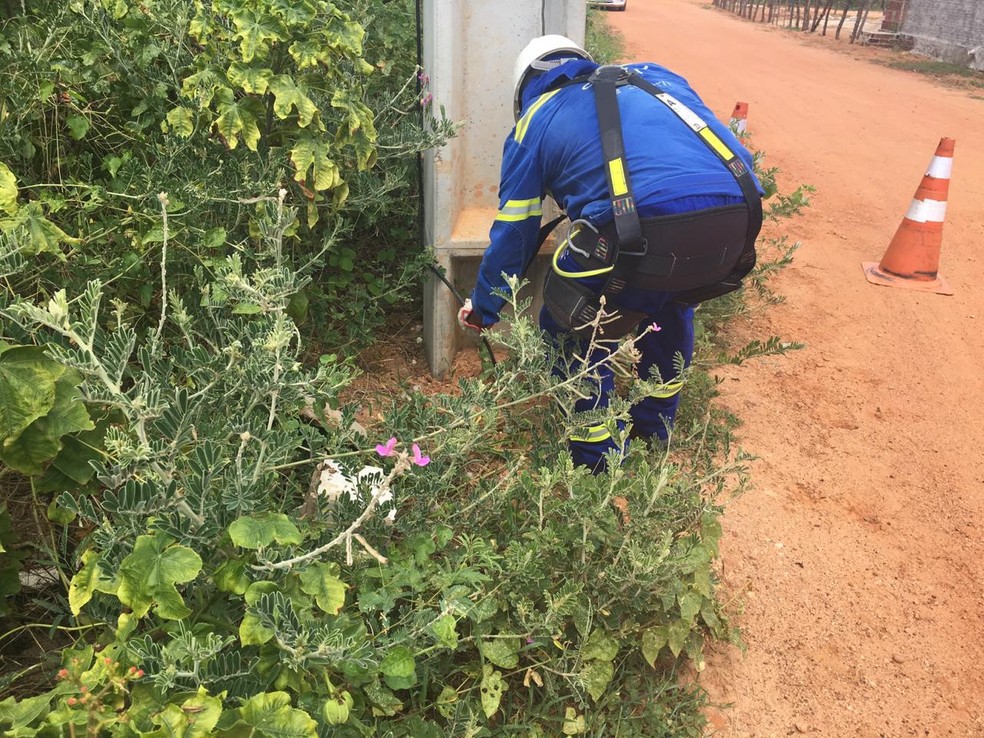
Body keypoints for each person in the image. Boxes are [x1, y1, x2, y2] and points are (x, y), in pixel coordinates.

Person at [457, 35, 763, 472]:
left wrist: (486, 307)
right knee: (669, 305)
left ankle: (596, 463)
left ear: (524, 89)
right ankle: (654, 433)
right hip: (738, 222)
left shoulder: (537, 118)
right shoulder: (657, 76)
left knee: (570, 327)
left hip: (645, 230)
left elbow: (515, 232)